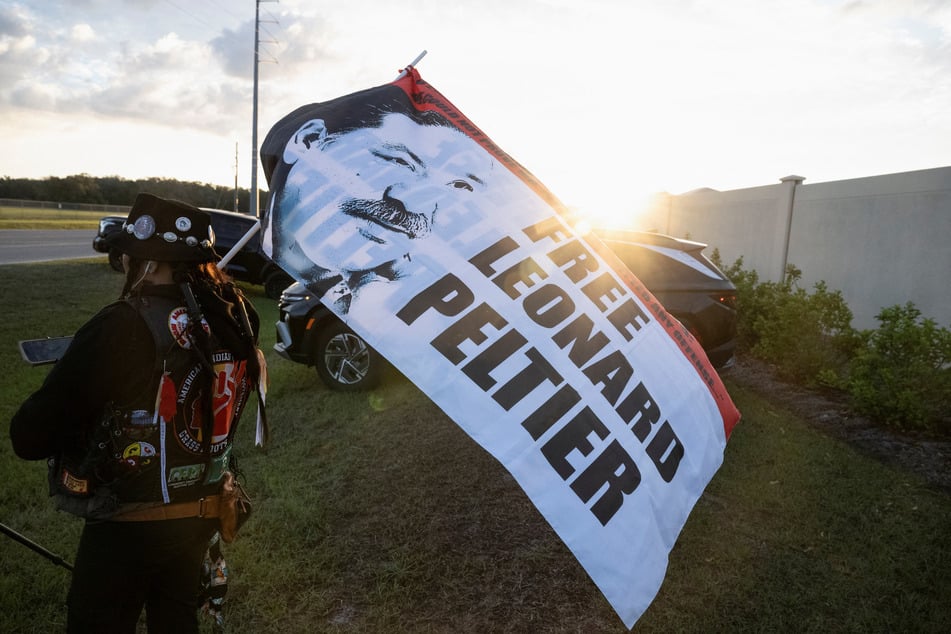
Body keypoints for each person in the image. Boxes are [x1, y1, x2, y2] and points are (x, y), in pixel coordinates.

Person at [10, 193, 264, 633]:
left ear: (144, 261)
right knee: (176, 618)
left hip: (127, 528)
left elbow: (29, 437)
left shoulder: (119, 325)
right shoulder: (237, 317)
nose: (123, 262)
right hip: (201, 514)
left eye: (127, 254)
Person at [261, 87, 497, 313]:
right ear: (309, 141)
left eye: (459, 187)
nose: (417, 204)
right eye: (400, 161)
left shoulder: (383, 301)